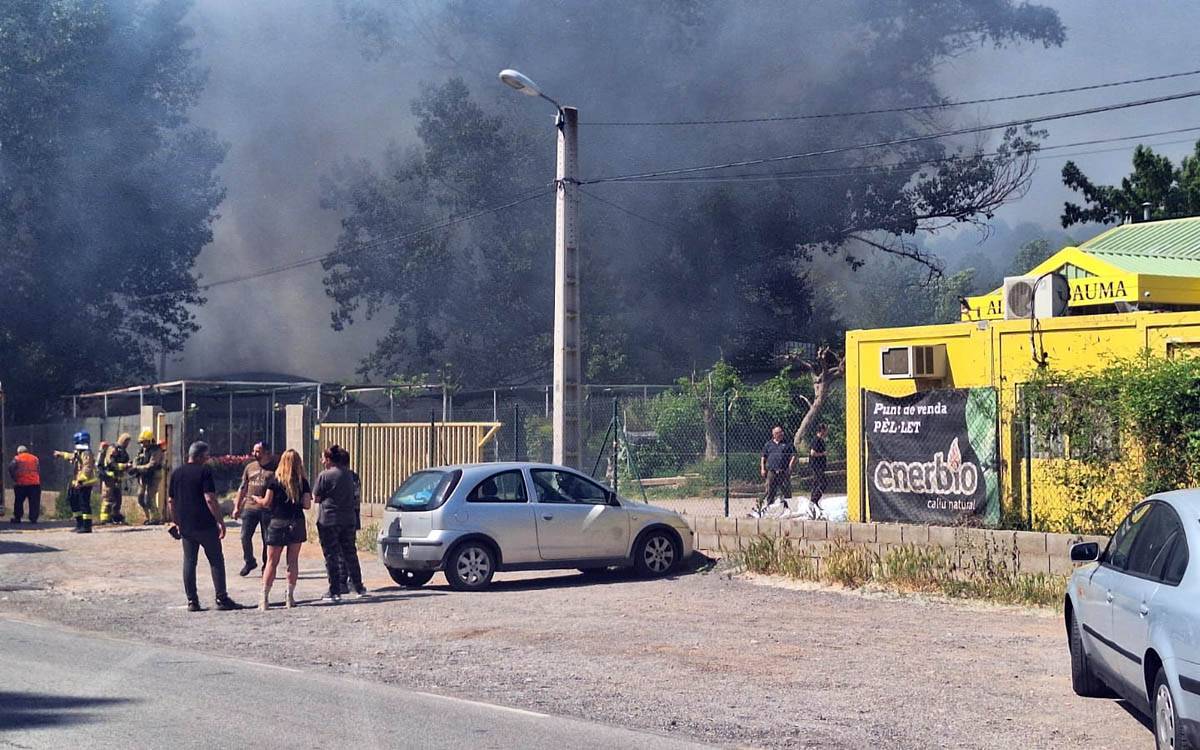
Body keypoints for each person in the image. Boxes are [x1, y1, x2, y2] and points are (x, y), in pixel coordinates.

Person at [167, 441, 242, 612]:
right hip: (205, 524)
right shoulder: (204, 471)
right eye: (206, 456)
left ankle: (192, 601)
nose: (208, 459)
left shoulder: (177, 473)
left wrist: (176, 521)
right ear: (200, 456)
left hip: (186, 525)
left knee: (189, 562)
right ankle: (221, 597)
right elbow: (210, 498)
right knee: (215, 559)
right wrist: (220, 521)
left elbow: (171, 501)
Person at [259, 449, 312, 610]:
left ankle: (265, 598)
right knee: (292, 561)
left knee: (271, 562)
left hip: (277, 522)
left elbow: (267, 502)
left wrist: (256, 500)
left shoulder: (274, 480)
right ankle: (289, 597)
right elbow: (307, 505)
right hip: (296, 522)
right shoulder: (302, 482)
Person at [314, 445, 366, 602]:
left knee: (331, 555)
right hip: (348, 519)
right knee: (350, 553)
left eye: (324, 458)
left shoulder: (324, 476)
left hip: (329, 519)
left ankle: (335, 590)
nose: (322, 461)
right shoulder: (350, 476)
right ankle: (358, 586)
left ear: (329, 460)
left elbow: (316, 498)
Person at [232, 442, 277, 576]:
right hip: (250, 507)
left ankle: (266, 565)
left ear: (267, 452)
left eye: (258, 451)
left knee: (267, 538)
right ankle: (249, 561)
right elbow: (242, 487)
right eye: (254, 451)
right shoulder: (250, 467)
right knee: (245, 536)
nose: (254, 454)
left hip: (267, 508)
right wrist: (237, 506)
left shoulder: (275, 468)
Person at [54, 432, 98, 533]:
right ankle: (79, 523)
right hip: (77, 482)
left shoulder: (86, 453)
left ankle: (87, 526)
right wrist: (60, 454)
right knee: (73, 500)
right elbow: (70, 456)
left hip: (85, 483)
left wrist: (80, 481)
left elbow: (87, 468)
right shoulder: (79, 452)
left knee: (84, 504)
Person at [129, 429, 164, 524]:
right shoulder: (141, 450)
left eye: (144, 442)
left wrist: (137, 468)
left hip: (154, 475)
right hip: (143, 476)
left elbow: (152, 465)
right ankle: (147, 517)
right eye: (141, 442)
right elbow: (136, 461)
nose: (142, 444)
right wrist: (131, 467)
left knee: (149, 497)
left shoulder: (156, 450)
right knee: (140, 497)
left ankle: (155, 518)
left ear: (149, 441)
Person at [97, 433, 132, 525]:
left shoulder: (122, 451)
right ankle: (104, 519)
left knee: (117, 499)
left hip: (117, 479)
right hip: (109, 478)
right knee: (107, 498)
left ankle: (115, 516)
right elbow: (111, 463)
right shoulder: (113, 449)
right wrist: (124, 466)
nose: (127, 444)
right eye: (126, 441)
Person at [760, 425, 796, 508]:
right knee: (770, 491)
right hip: (772, 471)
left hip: (783, 471)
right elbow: (763, 457)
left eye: (781, 432)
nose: (780, 434)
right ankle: (769, 507)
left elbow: (794, 454)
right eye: (777, 433)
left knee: (786, 491)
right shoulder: (768, 444)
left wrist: (790, 465)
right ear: (774, 434)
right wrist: (762, 468)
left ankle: (787, 508)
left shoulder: (787, 443)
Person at [8, 446, 41, 525]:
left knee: (19, 502)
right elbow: (38, 469)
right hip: (34, 484)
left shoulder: (17, 458)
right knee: (34, 503)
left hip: (21, 484)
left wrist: (14, 478)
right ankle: (33, 519)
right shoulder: (35, 458)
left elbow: (11, 468)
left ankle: (18, 518)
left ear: (19, 452)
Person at [809, 423, 829, 507]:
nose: (826, 432)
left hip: (820, 466)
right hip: (817, 466)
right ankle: (814, 500)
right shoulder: (816, 440)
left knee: (816, 483)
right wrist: (823, 454)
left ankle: (814, 503)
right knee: (823, 483)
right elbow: (812, 453)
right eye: (825, 430)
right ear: (822, 430)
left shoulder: (821, 440)